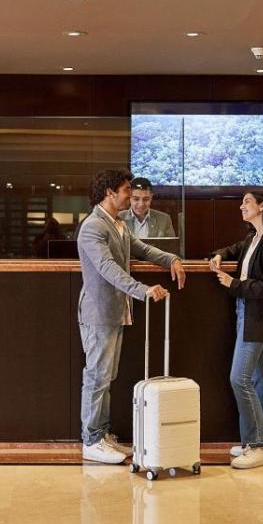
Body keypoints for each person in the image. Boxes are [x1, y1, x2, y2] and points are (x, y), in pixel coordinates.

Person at [77, 168, 187, 463]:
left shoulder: (118, 224)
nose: (130, 195)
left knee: (106, 376)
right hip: (99, 313)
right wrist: (143, 290)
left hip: (115, 312)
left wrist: (172, 259)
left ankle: (102, 435)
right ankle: (91, 440)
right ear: (110, 193)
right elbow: (107, 268)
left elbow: (143, 249)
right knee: (97, 377)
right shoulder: (93, 226)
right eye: (126, 190)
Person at [208, 191, 263, 469]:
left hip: (258, 318)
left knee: (239, 379)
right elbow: (232, 249)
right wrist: (219, 255)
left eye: (247, 202)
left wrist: (234, 284)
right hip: (246, 313)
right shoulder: (253, 237)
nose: (241, 206)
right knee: (258, 379)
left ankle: (257, 445)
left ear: (262, 206)